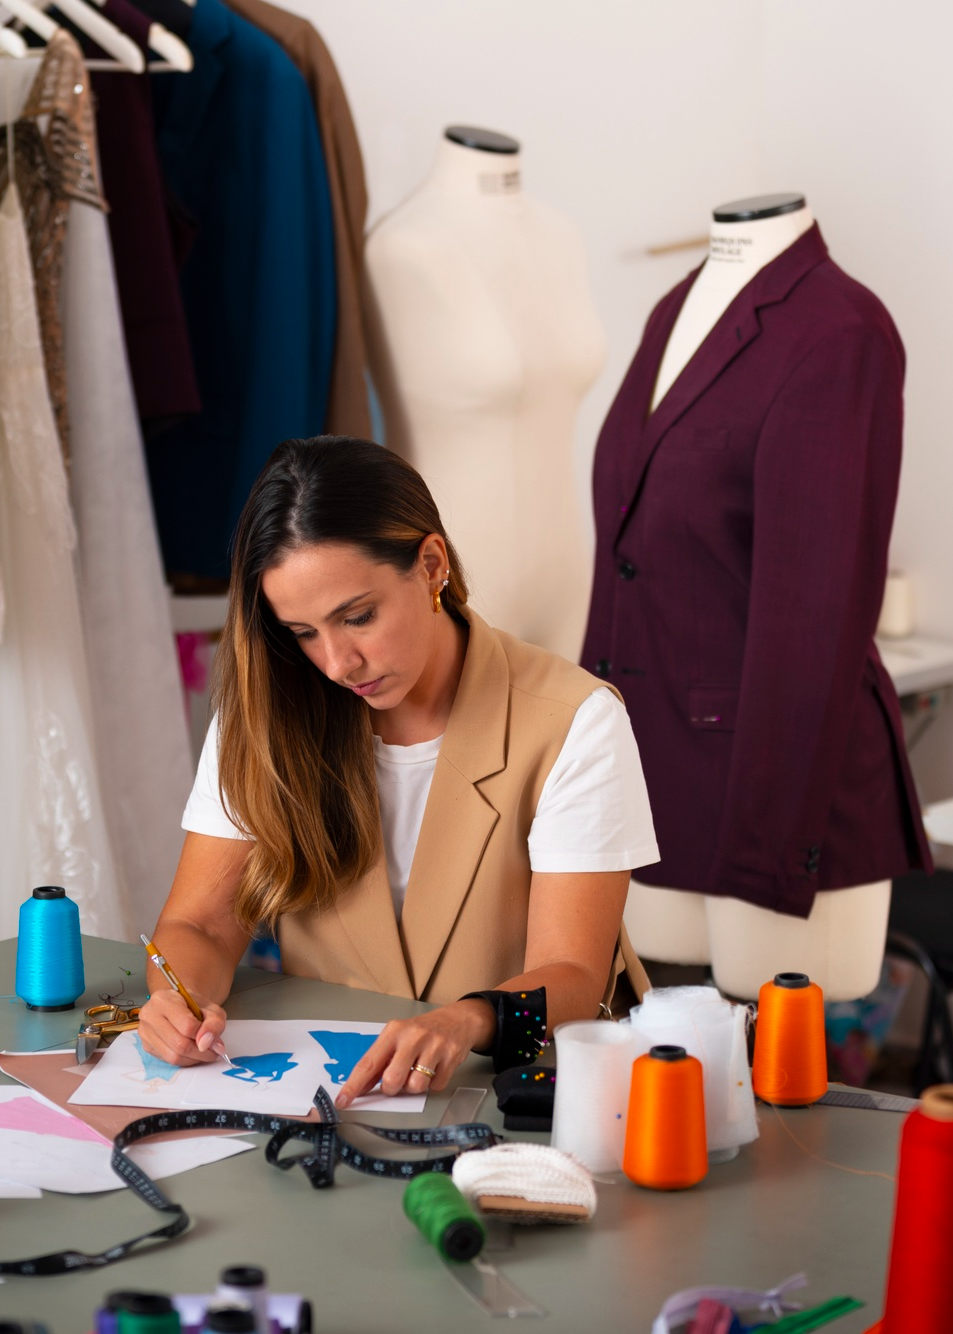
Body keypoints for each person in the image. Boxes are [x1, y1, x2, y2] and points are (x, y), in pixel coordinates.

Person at [139, 437, 659, 1105]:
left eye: (357, 617)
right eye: (303, 633)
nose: (336, 663)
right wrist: (178, 1000)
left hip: (522, 1092)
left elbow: (576, 976)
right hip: (335, 1096)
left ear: (432, 564)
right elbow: (202, 926)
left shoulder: (574, 721)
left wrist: (464, 1020)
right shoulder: (265, 716)